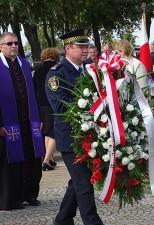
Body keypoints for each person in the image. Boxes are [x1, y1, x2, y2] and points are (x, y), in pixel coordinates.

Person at [45, 28, 104, 225]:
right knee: (84, 184)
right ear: (68, 48)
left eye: (87, 46)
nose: (86, 50)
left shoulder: (88, 69)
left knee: (78, 182)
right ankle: (92, 221)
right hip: (71, 138)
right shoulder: (56, 75)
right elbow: (60, 106)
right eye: (81, 47)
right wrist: (88, 101)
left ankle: (62, 219)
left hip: (89, 135)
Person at [0, 32, 45, 210]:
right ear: (1, 46)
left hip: (28, 122)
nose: (13, 46)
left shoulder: (25, 65)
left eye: (16, 43)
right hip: (7, 125)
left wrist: (39, 117)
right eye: (9, 43)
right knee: (9, 162)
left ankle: (30, 194)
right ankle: (9, 198)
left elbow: (35, 93)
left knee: (32, 158)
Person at [33, 48, 60, 171]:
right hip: (52, 103)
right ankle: (46, 160)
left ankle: (50, 158)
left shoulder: (37, 70)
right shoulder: (57, 68)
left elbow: (34, 89)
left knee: (46, 132)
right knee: (53, 132)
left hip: (40, 104)